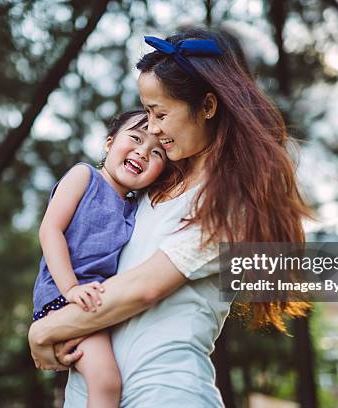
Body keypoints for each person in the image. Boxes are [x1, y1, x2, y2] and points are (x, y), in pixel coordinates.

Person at [28, 27, 311, 407]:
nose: (154, 129)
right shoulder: (158, 184)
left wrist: (45, 329)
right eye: (146, 113)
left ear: (208, 107)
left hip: (165, 394)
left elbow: (145, 286)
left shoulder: (231, 201)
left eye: (159, 113)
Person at [32, 110, 167, 408]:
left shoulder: (136, 208)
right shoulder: (85, 176)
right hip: (65, 298)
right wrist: (70, 288)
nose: (142, 152)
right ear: (109, 143)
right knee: (106, 382)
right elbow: (50, 230)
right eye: (135, 138)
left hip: (95, 304)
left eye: (156, 152)